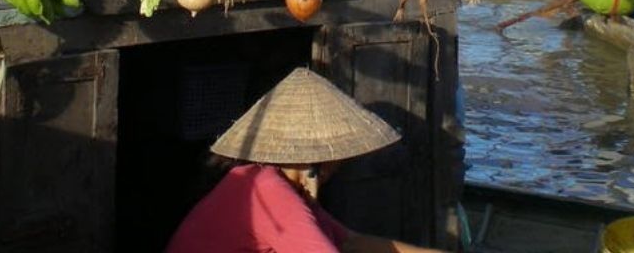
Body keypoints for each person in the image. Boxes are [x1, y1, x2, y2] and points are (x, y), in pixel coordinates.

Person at [165, 68, 448, 253]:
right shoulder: (266, 188)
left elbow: (350, 241)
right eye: (332, 162)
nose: (334, 170)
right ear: (314, 161)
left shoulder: (270, 181)